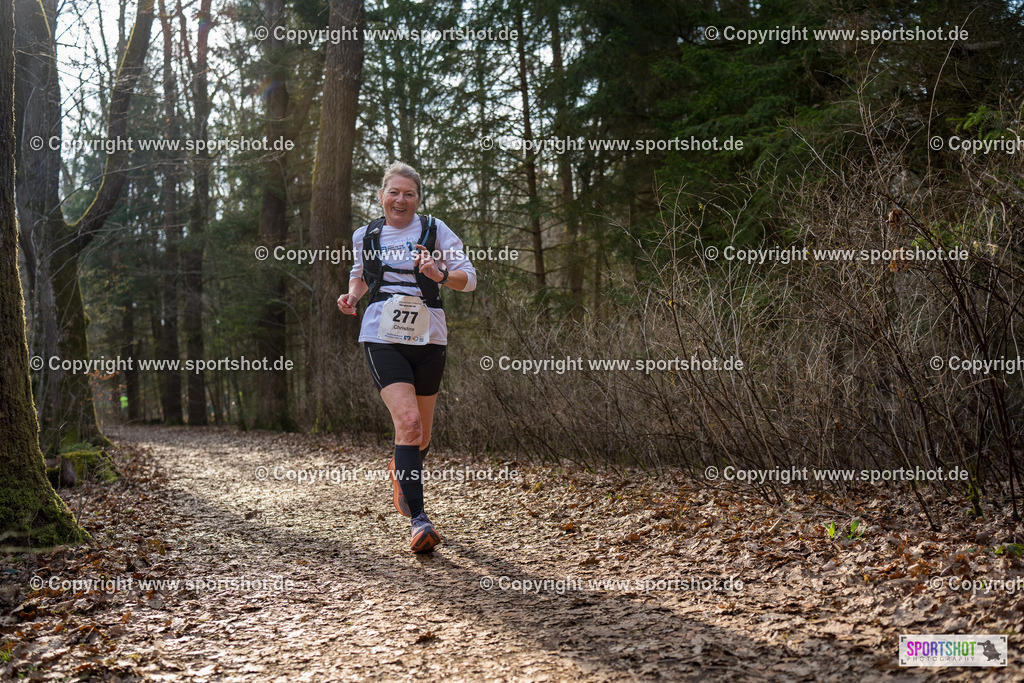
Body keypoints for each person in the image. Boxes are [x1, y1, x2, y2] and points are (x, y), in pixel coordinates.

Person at [337, 162, 477, 553]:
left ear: (418, 199)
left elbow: (470, 278)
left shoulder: (435, 231)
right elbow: (362, 273)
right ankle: (419, 521)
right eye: (394, 192)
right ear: (381, 195)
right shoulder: (366, 234)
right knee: (410, 423)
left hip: (429, 336)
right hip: (382, 334)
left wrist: (440, 275)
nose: (401, 199)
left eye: (409, 194)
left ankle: (403, 471)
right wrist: (352, 295)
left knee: (423, 436)